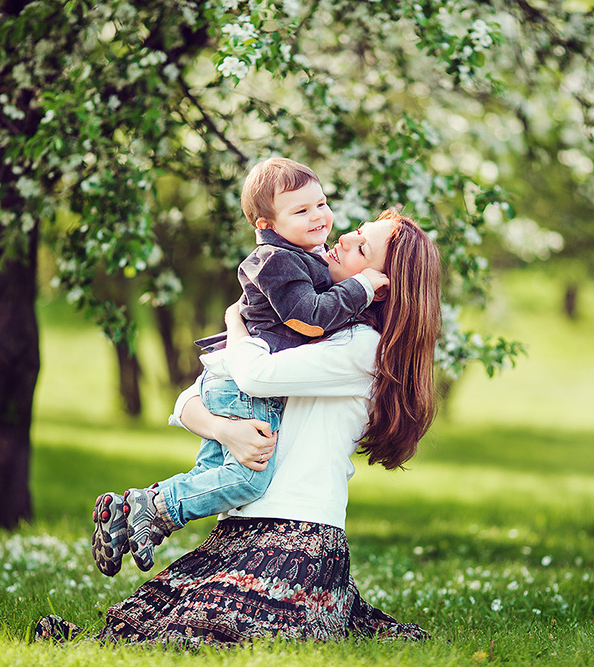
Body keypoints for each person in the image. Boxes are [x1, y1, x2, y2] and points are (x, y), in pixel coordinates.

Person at [36, 208, 441, 646]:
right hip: (238, 526)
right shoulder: (309, 323)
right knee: (150, 623)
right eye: (357, 231)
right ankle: (148, 508)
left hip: (297, 533)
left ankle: (149, 510)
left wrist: (235, 324)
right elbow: (191, 398)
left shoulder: (362, 348)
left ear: (380, 289)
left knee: (210, 632)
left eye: (362, 247)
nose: (343, 238)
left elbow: (252, 376)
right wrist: (225, 431)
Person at [90, 157, 389, 577]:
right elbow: (308, 320)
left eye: (321, 204)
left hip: (231, 378)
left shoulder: (322, 281)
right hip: (240, 385)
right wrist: (359, 286)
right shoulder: (278, 259)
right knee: (246, 480)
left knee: (211, 474)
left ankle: (136, 516)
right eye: (301, 211)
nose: (321, 218)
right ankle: (153, 506)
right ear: (266, 223)